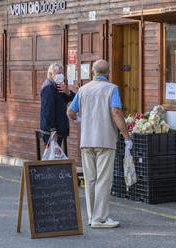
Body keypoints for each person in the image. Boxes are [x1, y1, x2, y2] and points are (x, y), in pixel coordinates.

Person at [67, 59, 132, 229]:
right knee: (103, 180)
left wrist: (80, 119)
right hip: (105, 140)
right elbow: (116, 112)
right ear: (108, 73)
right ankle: (100, 218)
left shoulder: (82, 90)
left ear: (92, 73)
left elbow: (70, 112)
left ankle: (91, 216)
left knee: (90, 180)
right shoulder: (112, 89)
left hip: (86, 140)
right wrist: (126, 135)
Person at [40, 63, 76, 145]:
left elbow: (74, 99)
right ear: (51, 74)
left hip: (60, 128)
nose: (61, 75)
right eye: (58, 73)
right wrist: (52, 130)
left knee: (57, 155)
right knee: (53, 155)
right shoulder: (48, 87)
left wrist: (67, 92)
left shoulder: (59, 86)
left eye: (62, 73)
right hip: (52, 131)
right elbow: (48, 110)